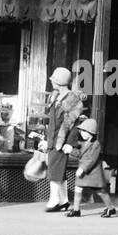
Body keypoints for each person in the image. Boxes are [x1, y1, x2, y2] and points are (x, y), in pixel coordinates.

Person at [39, 66, 84, 212]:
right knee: (58, 171)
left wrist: (70, 143)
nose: (51, 82)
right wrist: (47, 139)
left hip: (61, 141)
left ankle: (54, 200)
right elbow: (52, 122)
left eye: (53, 79)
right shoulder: (55, 97)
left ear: (58, 81)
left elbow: (74, 124)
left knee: (54, 171)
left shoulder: (73, 100)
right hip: (54, 139)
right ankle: (64, 201)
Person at [66, 118, 115, 218]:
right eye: (81, 131)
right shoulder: (83, 143)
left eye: (84, 131)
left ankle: (111, 208)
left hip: (93, 173)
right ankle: (76, 210)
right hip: (84, 172)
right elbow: (80, 154)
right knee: (78, 189)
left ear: (91, 132)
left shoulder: (96, 144)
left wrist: (83, 168)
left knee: (100, 191)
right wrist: (71, 150)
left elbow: (91, 159)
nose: (82, 133)